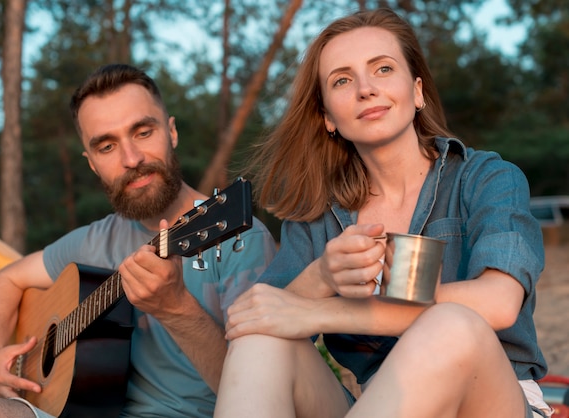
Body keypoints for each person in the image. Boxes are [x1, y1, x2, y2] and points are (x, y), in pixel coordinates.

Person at [213, 8, 552, 418]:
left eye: (383, 68)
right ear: (327, 117)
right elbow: (260, 315)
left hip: (491, 399)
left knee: (451, 324)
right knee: (261, 339)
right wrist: (322, 276)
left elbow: (498, 303)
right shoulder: (317, 217)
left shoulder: (486, 178)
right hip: (378, 404)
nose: (365, 89)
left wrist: (324, 310)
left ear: (418, 91)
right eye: (342, 80)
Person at [0, 63, 276, 417]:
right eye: (106, 146)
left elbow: (263, 398)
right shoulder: (94, 240)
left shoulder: (241, 238)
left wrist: (176, 308)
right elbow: (6, 278)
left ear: (172, 132)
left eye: (143, 132)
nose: (131, 159)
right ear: (91, 164)